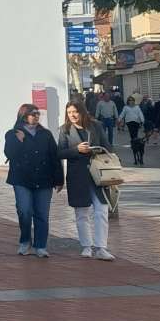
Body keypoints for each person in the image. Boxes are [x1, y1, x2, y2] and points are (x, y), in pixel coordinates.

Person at [4, 102, 62, 257]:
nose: (36, 116)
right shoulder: (13, 133)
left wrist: (59, 179)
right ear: (24, 116)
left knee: (42, 214)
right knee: (24, 211)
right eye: (33, 114)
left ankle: (40, 245)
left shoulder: (46, 134)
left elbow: (54, 157)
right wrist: (19, 140)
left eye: (38, 114)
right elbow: (9, 153)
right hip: (22, 179)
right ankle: (25, 241)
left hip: (44, 179)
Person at [60, 102, 115, 261]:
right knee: (81, 212)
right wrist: (76, 150)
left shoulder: (96, 126)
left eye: (75, 111)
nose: (72, 115)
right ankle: (86, 246)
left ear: (82, 112)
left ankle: (101, 247)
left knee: (102, 210)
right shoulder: (64, 130)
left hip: (98, 175)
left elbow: (108, 147)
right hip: (77, 176)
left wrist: (98, 151)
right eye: (69, 112)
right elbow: (59, 153)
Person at [119, 95, 145, 166]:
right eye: (130, 101)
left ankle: (135, 143)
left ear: (134, 101)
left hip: (136, 122)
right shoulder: (126, 107)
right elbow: (122, 114)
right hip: (129, 122)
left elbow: (140, 114)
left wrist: (142, 120)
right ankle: (134, 144)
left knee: (135, 134)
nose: (131, 102)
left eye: (132, 100)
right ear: (128, 102)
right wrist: (119, 119)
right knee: (132, 134)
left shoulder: (137, 107)